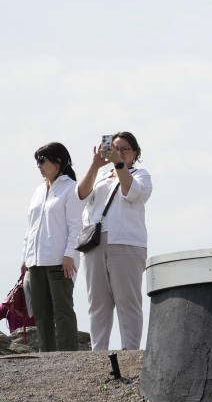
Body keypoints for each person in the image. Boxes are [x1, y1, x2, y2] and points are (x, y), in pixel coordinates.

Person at [76, 131, 152, 350]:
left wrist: (119, 165)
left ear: (135, 153)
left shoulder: (141, 174)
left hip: (126, 242)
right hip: (94, 241)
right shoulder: (100, 175)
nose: (118, 152)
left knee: (127, 300)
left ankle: (130, 350)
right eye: (115, 148)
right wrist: (94, 165)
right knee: (97, 300)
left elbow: (132, 192)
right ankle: (98, 351)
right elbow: (81, 194)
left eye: (124, 149)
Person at [21, 142, 83, 351]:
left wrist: (69, 255)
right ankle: (46, 356)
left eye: (42, 160)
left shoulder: (70, 188)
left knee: (63, 310)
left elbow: (76, 226)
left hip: (60, 260)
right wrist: (25, 258)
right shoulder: (39, 191)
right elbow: (31, 226)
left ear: (58, 161)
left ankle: (67, 356)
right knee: (41, 311)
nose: (38, 165)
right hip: (36, 261)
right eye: (36, 161)